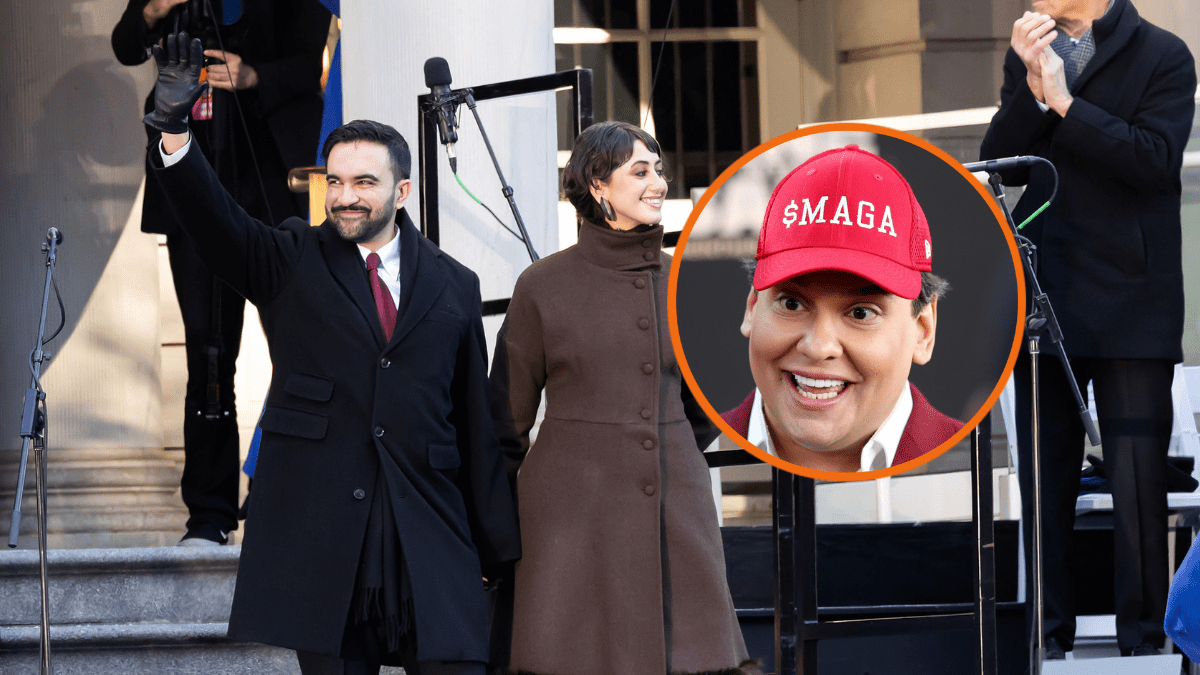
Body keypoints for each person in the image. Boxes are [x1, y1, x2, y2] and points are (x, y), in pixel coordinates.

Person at [142, 33, 520, 675]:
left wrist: (498, 556)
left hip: (428, 542)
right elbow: (215, 225)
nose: (344, 196)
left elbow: (475, 427)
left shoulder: (456, 286)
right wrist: (174, 132)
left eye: (364, 182)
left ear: (401, 192)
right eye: (336, 180)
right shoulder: (289, 257)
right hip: (323, 549)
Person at [489, 121, 758, 675]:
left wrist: (668, 436)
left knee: (693, 653)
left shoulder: (691, 282)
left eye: (659, 169)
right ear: (597, 184)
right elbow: (505, 423)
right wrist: (492, 530)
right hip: (570, 515)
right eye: (640, 171)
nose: (658, 182)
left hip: (676, 503)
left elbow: (714, 399)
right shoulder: (542, 285)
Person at [979, 0, 1195, 659]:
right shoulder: (1032, 50)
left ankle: (1147, 645)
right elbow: (1001, 161)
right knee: (1046, 487)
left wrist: (1068, 104)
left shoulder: (1163, 53)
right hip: (1048, 296)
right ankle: (1047, 643)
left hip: (1135, 299)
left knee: (1137, 487)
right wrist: (1032, 88)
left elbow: (1154, 160)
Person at [112, 0, 331, 545]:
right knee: (208, 355)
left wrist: (253, 74)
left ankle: (283, 492)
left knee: (301, 349)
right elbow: (124, 44)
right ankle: (208, 513)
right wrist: (156, 8)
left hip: (273, 189)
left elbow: (308, 69)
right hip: (196, 196)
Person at [721, 144, 962, 473]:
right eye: (791, 304)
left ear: (923, 330)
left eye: (861, 313)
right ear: (752, 307)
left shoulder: (980, 468)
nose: (819, 347)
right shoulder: (679, 457)